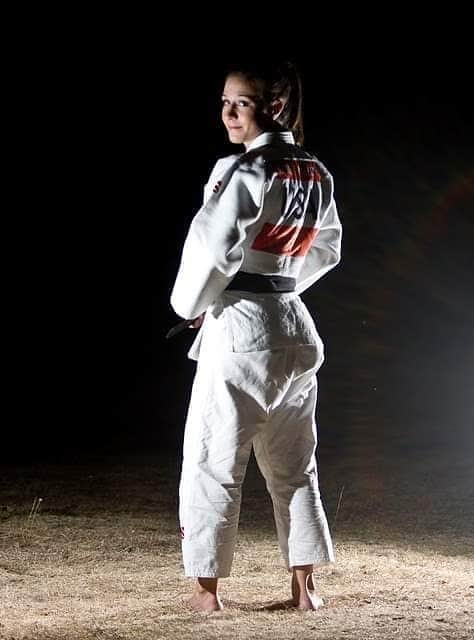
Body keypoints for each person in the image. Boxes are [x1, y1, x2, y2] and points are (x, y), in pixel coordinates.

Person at [170, 60, 342, 612]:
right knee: (295, 465)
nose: (228, 112)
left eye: (241, 102)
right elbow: (328, 250)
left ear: (275, 107)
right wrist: (280, 285)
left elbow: (211, 248)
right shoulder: (315, 170)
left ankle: (206, 593)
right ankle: (305, 589)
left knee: (213, 461)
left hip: (242, 329)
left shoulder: (243, 169)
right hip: (294, 324)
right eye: (225, 101)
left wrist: (195, 304)